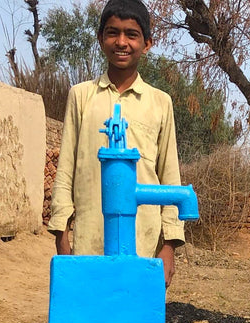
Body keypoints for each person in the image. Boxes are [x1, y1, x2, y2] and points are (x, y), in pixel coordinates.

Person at [47, 0, 184, 286]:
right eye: (113, 32)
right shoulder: (82, 96)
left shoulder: (160, 103)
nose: (121, 42)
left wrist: (169, 245)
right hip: (89, 239)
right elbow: (66, 170)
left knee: (133, 319)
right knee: (88, 320)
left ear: (146, 44)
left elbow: (169, 176)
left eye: (131, 34)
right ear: (100, 39)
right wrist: (62, 234)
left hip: (142, 241)